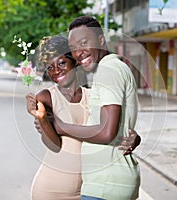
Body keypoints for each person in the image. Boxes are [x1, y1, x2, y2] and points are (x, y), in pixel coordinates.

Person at [26, 35, 139, 200]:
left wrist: (135, 138)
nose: (56, 71)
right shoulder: (46, 97)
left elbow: (110, 128)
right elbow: (54, 146)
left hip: (88, 189)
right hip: (51, 190)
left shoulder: (93, 96)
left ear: (75, 62)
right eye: (49, 67)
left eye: (62, 63)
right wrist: (43, 120)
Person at [53, 16, 141, 200]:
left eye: (84, 43)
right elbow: (116, 125)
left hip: (105, 185)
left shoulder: (108, 70)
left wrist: (61, 127)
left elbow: (106, 132)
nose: (78, 52)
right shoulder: (115, 67)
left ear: (101, 40)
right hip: (108, 183)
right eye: (74, 48)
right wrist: (134, 137)